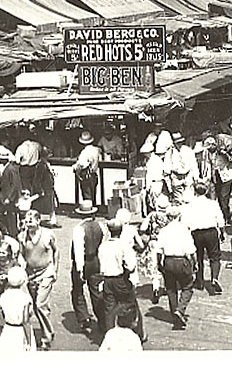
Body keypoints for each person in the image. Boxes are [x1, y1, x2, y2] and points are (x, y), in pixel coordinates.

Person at [98, 219, 145, 341]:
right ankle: (139, 334)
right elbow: (131, 265)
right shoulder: (124, 245)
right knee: (131, 305)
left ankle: (110, 336)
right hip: (121, 279)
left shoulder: (103, 246)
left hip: (107, 279)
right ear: (121, 230)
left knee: (109, 309)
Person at [18, 209, 58, 350]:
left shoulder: (48, 235)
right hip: (30, 275)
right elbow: (22, 255)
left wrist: (55, 269)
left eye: (31, 220)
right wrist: (22, 267)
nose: (28, 223)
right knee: (36, 306)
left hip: (46, 273)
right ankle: (48, 330)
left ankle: (46, 338)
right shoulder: (22, 237)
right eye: (26, 221)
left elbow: (56, 251)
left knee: (40, 304)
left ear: (38, 221)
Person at [156, 206, 197, 330]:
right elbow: (191, 250)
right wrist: (194, 265)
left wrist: (160, 264)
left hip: (168, 261)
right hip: (182, 261)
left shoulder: (163, 231)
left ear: (168, 217)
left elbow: (159, 250)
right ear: (179, 216)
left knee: (170, 288)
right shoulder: (184, 230)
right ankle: (180, 309)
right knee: (187, 287)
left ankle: (175, 315)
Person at [182, 182, 225, 295]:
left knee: (198, 257)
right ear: (206, 192)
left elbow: (185, 221)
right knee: (214, 257)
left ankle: (199, 280)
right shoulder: (213, 203)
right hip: (211, 231)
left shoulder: (190, 205)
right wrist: (222, 232)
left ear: (195, 192)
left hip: (196, 233)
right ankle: (214, 277)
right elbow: (220, 219)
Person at [71, 203, 107, 335]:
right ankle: (102, 320)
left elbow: (78, 250)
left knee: (78, 290)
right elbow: (103, 246)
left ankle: (84, 318)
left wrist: (79, 268)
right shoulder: (101, 226)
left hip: (83, 262)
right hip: (96, 261)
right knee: (97, 291)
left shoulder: (79, 229)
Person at [138, 194, 174, 304]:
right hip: (167, 243)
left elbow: (142, 228)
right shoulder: (170, 216)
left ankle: (156, 288)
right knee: (166, 265)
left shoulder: (152, 215)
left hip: (154, 242)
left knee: (154, 266)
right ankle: (169, 287)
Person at [0, 266, 35, 352]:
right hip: (20, 331)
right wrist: (28, 341)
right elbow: (25, 321)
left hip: (7, 330)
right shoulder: (25, 298)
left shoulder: (3, 297)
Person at [0, 150, 22, 238]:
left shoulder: (11, 169)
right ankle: (8, 230)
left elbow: (15, 185)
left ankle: (13, 233)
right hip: (4, 197)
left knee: (11, 216)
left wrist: (10, 198)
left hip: (9, 198)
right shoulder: (6, 168)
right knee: (2, 214)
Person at [73, 131, 101, 207]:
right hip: (93, 174)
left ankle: (89, 213)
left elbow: (81, 165)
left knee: (87, 196)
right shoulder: (96, 150)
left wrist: (76, 169)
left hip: (86, 175)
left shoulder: (85, 152)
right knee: (93, 195)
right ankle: (93, 212)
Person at [36, 147, 60, 228]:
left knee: (51, 205)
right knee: (45, 205)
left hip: (49, 187)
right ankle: (42, 221)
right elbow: (38, 179)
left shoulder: (46, 164)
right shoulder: (41, 165)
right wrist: (40, 189)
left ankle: (53, 220)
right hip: (45, 188)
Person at [15, 134, 40, 204]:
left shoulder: (20, 147)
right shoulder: (37, 145)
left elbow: (17, 160)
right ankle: (33, 203)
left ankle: (26, 203)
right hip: (34, 167)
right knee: (33, 185)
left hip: (24, 168)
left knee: (25, 186)